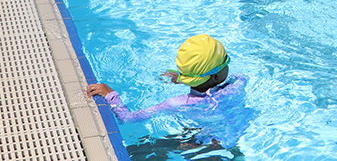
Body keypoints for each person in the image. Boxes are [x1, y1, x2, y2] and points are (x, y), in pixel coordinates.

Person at [86, 34, 246, 124]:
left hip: (199, 139)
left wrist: (111, 95)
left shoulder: (177, 103)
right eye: (227, 60)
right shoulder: (236, 85)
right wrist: (184, 79)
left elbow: (128, 119)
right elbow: (235, 80)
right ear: (217, 75)